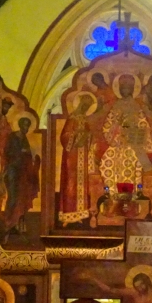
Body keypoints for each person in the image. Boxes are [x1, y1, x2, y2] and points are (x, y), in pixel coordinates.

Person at [58, 95, 95, 226]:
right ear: (80, 104)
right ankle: (67, 215)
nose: (85, 108)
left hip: (82, 157)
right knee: (70, 183)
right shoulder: (72, 118)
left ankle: (79, 214)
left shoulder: (85, 121)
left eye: (87, 106)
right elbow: (65, 136)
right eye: (84, 105)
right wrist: (75, 136)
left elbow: (90, 137)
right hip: (71, 156)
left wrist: (88, 136)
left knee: (81, 185)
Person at [1, 117, 40, 234]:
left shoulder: (24, 138)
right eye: (24, 125)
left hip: (22, 172)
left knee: (21, 198)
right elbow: (7, 152)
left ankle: (16, 224)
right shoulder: (13, 137)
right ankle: (8, 222)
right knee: (13, 197)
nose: (26, 128)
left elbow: (27, 155)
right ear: (20, 125)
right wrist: (21, 152)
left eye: (28, 126)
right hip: (12, 170)